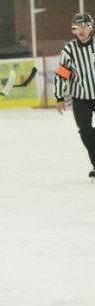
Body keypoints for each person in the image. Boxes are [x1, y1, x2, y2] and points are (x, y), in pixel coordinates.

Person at [55, 13, 95, 182]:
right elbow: (62, 75)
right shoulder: (69, 50)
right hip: (80, 98)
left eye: (85, 26)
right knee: (85, 131)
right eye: (77, 27)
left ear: (90, 28)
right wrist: (59, 97)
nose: (81, 30)